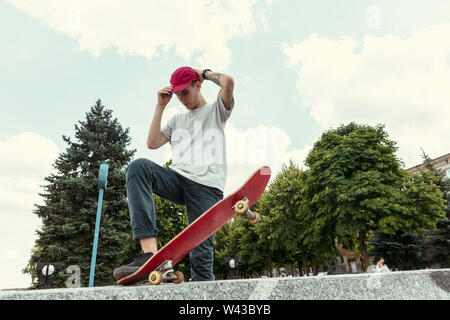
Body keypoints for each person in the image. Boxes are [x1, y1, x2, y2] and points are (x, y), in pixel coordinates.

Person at [113, 66, 234, 282]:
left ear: (198, 85)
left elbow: (228, 82)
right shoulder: (177, 120)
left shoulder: (216, 111)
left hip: (206, 185)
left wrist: (203, 73)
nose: (182, 99)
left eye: (185, 93)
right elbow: (152, 143)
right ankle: (149, 254)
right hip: (176, 178)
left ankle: (202, 292)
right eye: (177, 95)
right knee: (138, 167)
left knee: (201, 256)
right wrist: (160, 106)